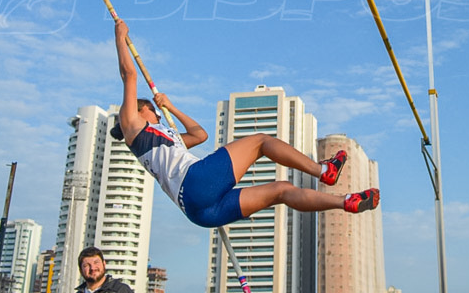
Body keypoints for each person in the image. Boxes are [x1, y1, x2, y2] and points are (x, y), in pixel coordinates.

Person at [112, 18, 379, 229]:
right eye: (155, 112)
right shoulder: (134, 126)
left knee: (281, 191)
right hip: (195, 184)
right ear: (145, 110)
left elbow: (200, 134)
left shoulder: (161, 140)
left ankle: (346, 202)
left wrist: (171, 107)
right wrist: (120, 37)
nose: (158, 116)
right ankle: (323, 171)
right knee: (261, 142)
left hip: (198, 211)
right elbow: (129, 74)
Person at [61, 247, 142, 293]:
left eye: (96, 262)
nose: (92, 268)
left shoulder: (122, 292)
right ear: (81, 270)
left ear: (104, 264)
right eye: (86, 265)